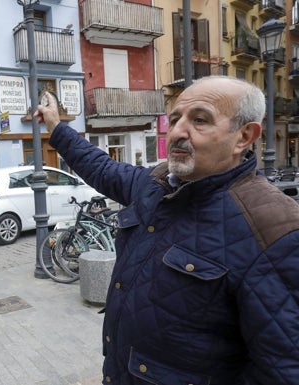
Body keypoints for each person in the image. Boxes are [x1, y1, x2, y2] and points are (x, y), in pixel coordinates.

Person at [35, 76, 299, 384]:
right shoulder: (155, 184)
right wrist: (56, 127)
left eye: (199, 120)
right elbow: (102, 168)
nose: (177, 132)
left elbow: (284, 369)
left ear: (243, 136)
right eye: (174, 120)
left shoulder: (274, 228)